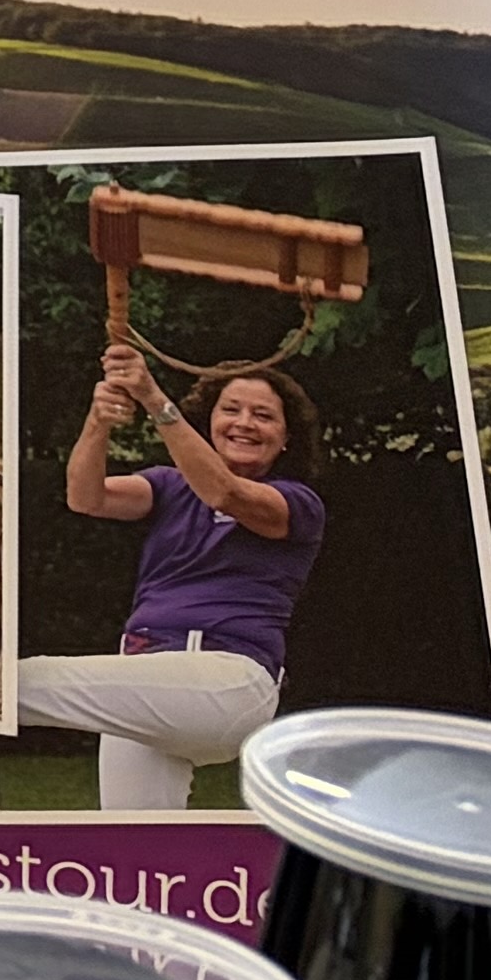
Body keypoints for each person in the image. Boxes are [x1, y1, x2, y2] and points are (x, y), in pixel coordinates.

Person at [27, 346, 328, 808]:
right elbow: (85, 498)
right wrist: (98, 421)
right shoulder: (170, 485)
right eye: (231, 410)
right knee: (132, 848)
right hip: (145, 680)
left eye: (263, 415)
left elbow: (223, 492)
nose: (245, 422)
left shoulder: (297, 502)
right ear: (209, 420)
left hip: (226, 682)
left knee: (24, 682)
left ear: (286, 437)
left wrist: (151, 397)